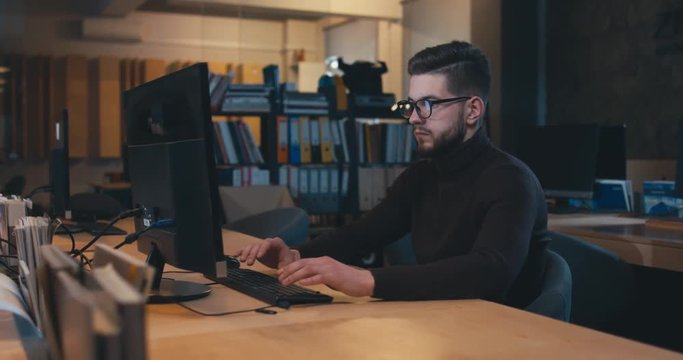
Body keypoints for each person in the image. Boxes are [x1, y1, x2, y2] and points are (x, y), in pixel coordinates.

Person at [237, 40, 549, 307]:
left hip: (501, 336)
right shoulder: (421, 177)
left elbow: (489, 272)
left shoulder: (510, 180)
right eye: (410, 105)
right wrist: (293, 255)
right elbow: (363, 234)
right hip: (441, 323)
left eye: (427, 105)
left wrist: (366, 279)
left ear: (472, 110)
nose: (413, 118)